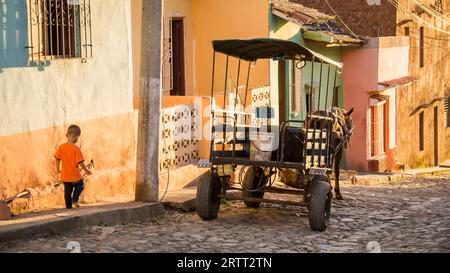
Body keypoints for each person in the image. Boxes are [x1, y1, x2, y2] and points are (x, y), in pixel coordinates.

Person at [55, 125, 92, 209]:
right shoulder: (76, 149)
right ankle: (74, 199)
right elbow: (80, 162)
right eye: (77, 138)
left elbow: (57, 158)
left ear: (66, 135)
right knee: (80, 186)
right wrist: (86, 170)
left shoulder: (61, 147)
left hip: (65, 175)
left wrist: (57, 168)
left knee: (67, 191)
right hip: (75, 176)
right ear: (76, 137)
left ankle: (68, 206)